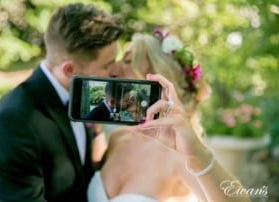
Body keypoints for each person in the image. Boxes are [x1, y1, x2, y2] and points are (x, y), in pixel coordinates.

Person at [0, 3, 124, 201]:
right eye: (108, 65)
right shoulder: (12, 124)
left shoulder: (84, 91)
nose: (117, 70)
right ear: (70, 70)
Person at [87, 32, 251, 201]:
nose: (114, 69)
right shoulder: (116, 138)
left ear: (159, 76)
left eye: (128, 61)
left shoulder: (179, 154)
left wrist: (198, 155)